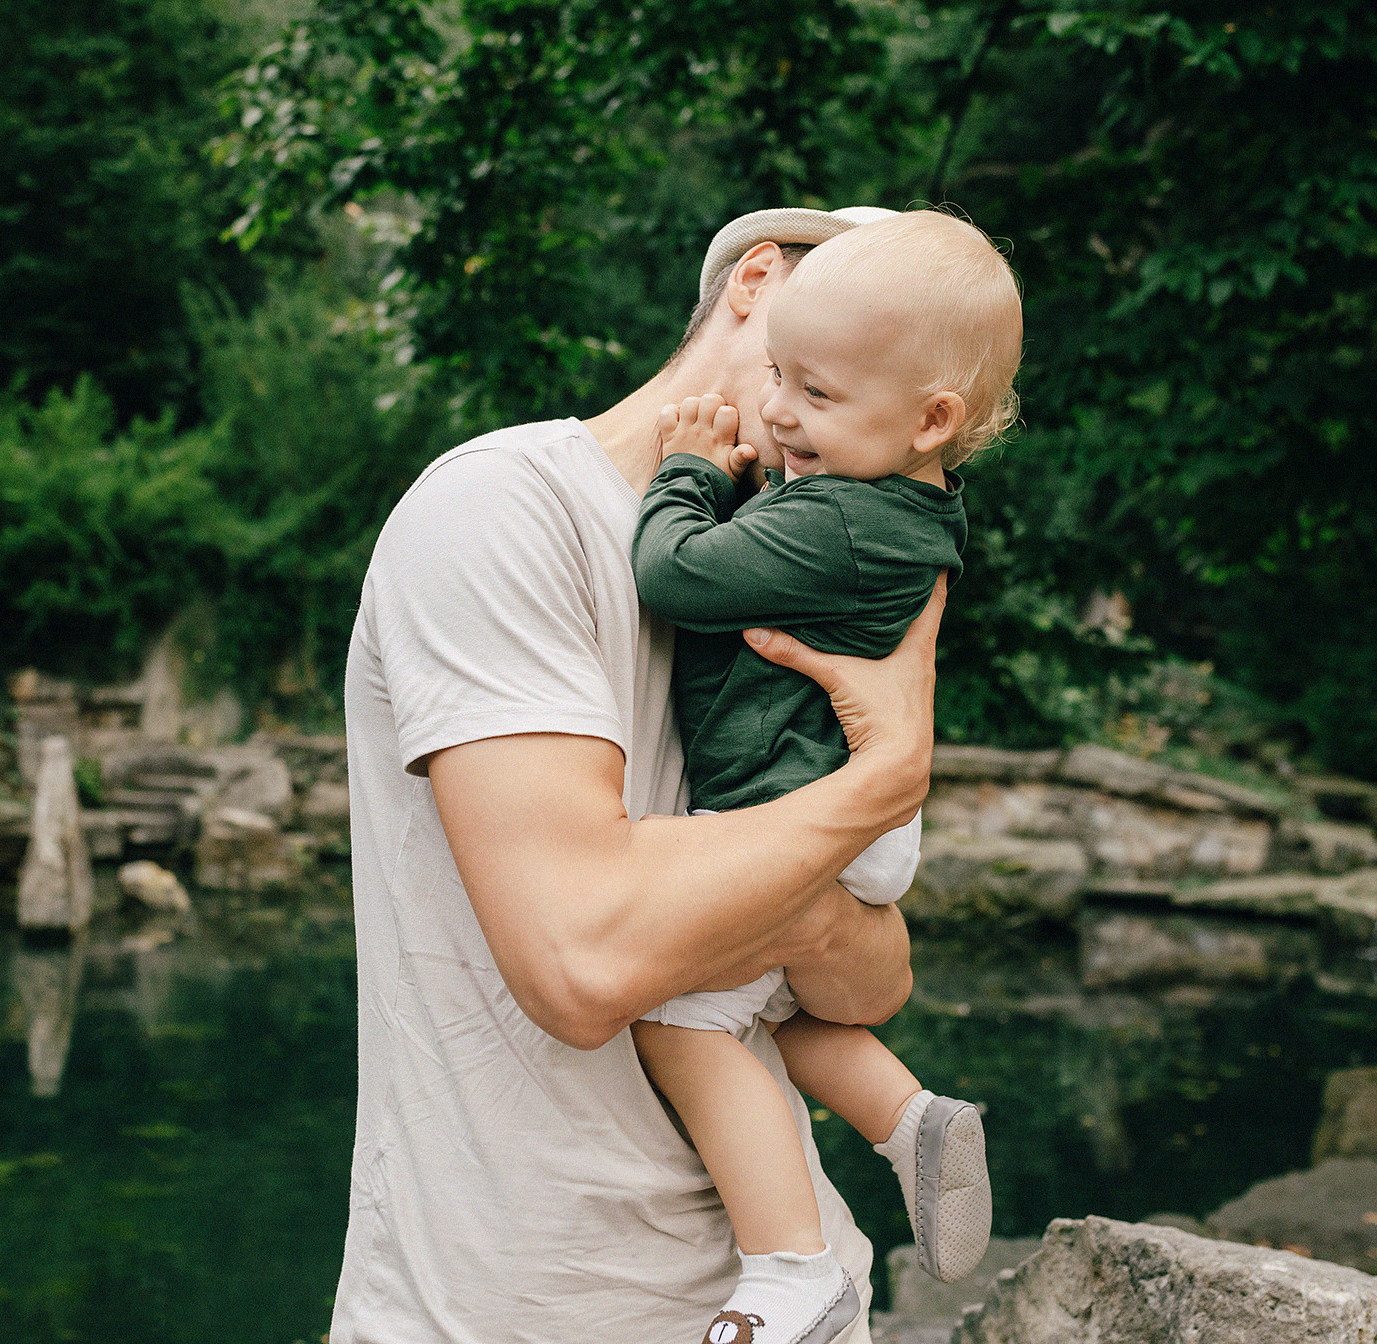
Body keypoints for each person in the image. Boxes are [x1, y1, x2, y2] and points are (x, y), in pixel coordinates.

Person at [332, 204, 948, 1344]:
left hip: (788, 1304)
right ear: (759, 283)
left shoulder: (797, 575)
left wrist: (793, 893)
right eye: (829, 363)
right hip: (512, 1312)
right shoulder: (504, 509)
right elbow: (582, 961)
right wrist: (876, 784)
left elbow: (869, 986)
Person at [629, 209, 1023, 1344]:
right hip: (835, 802)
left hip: (791, 805)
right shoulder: (890, 501)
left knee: (680, 1019)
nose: (782, 413)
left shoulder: (841, 525)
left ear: (928, 420)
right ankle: (907, 1121)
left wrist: (691, 472)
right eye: (778, 379)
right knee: (769, 1011)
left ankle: (792, 1269)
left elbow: (673, 574)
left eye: (816, 394)